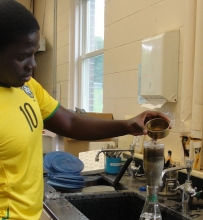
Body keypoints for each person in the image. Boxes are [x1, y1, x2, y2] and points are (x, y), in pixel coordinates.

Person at [0, 0, 170, 219]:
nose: (33, 65)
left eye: (33, 54)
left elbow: (70, 123)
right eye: (22, 57)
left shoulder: (27, 87)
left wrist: (128, 125)